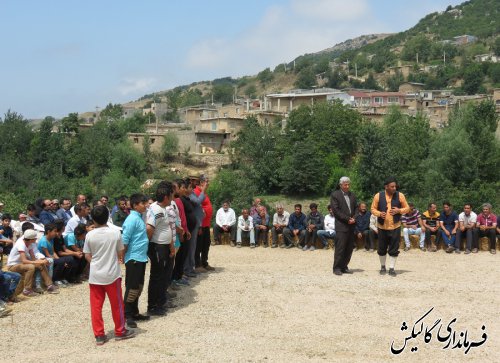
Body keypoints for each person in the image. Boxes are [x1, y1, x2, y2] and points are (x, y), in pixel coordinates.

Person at [83, 205, 135, 345]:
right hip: (112, 274)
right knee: (117, 304)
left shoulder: (89, 235)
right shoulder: (115, 233)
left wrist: (95, 263)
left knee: (96, 306)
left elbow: (87, 255)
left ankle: (99, 335)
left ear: (93, 219)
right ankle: (120, 331)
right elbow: (120, 251)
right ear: (108, 217)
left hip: (95, 275)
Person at [146, 182, 176, 317]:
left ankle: (160, 302)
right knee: (156, 277)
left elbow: (166, 229)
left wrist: (171, 246)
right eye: (170, 196)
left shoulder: (163, 208)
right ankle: (152, 306)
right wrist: (150, 246)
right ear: (165, 197)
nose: (172, 198)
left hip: (164, 246)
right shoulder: (157, 210)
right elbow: (149, 229)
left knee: (162, 275)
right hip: (158, 247)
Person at [370, 177, 410, 277]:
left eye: (395, 186)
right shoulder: (378, 196)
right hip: (382, 226)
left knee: (394, 248)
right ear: (386, 187)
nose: (394, 188)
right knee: (381, 248)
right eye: (392, 186)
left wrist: (399, 211)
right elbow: (372, 209)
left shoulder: (400, 195)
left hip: (395, 226)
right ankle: (383, 267)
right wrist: (379, 214)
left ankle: (391, 268)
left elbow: (407, 208)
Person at [122, 193, 150, 329]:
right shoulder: (131, 219)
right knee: (132, 286)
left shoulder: (139, 217)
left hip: (141, 257)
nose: (145, 205)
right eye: (142, 203)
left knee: (138, 286)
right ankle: (127, 315)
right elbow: (125, 240)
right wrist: (122, 256)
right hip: (133, 258)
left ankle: (135, 311)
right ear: (134, 205)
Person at [7, 229, 59, 297]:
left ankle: (49, 285)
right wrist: (39, 261)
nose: (36, 239)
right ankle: (27, 290)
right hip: (13, 265)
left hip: (20, 264)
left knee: (40, 264)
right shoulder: (21, 244)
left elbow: (33, 258)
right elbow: (24, 260)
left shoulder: (29, 243)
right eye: (35, 238)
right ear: (31, 239)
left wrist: (41, 261)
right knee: (31, 267)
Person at [331, 177, 358, 275]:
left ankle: (344, 266)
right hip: (342, 226)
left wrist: (354, 218)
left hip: (351, 225)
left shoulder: (353, 195)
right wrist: (347, 219)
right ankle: (337, 268)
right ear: (340, 185)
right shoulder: (335, 195)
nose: (347, 186)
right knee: (340, 247)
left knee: (349, 248)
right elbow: (336, 210)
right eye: (345, 184)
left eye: (348, 184)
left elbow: (356, 208)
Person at [38, 223, 75, 287]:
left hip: (51, 257)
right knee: (61, 262)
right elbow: (48, 255)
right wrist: (60, 260)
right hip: (45, 259)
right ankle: (55, 279)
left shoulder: (51, 240)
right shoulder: (44, 241)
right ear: (48, 232)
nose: (56, 233)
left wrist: (58, 259)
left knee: (69, 259)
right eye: (54, 231)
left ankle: (63, 278)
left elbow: (53, 252)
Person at [194, 174, 214, 271]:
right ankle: (197, 265)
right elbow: (196, 205)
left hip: (206, 224)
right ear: (201, 182)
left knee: (206, 244)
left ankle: (204, 263)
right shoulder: (196, 192)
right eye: (207, 181)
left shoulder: (204, 193)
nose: (208, 183)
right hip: (200, 224)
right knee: (199, 245)